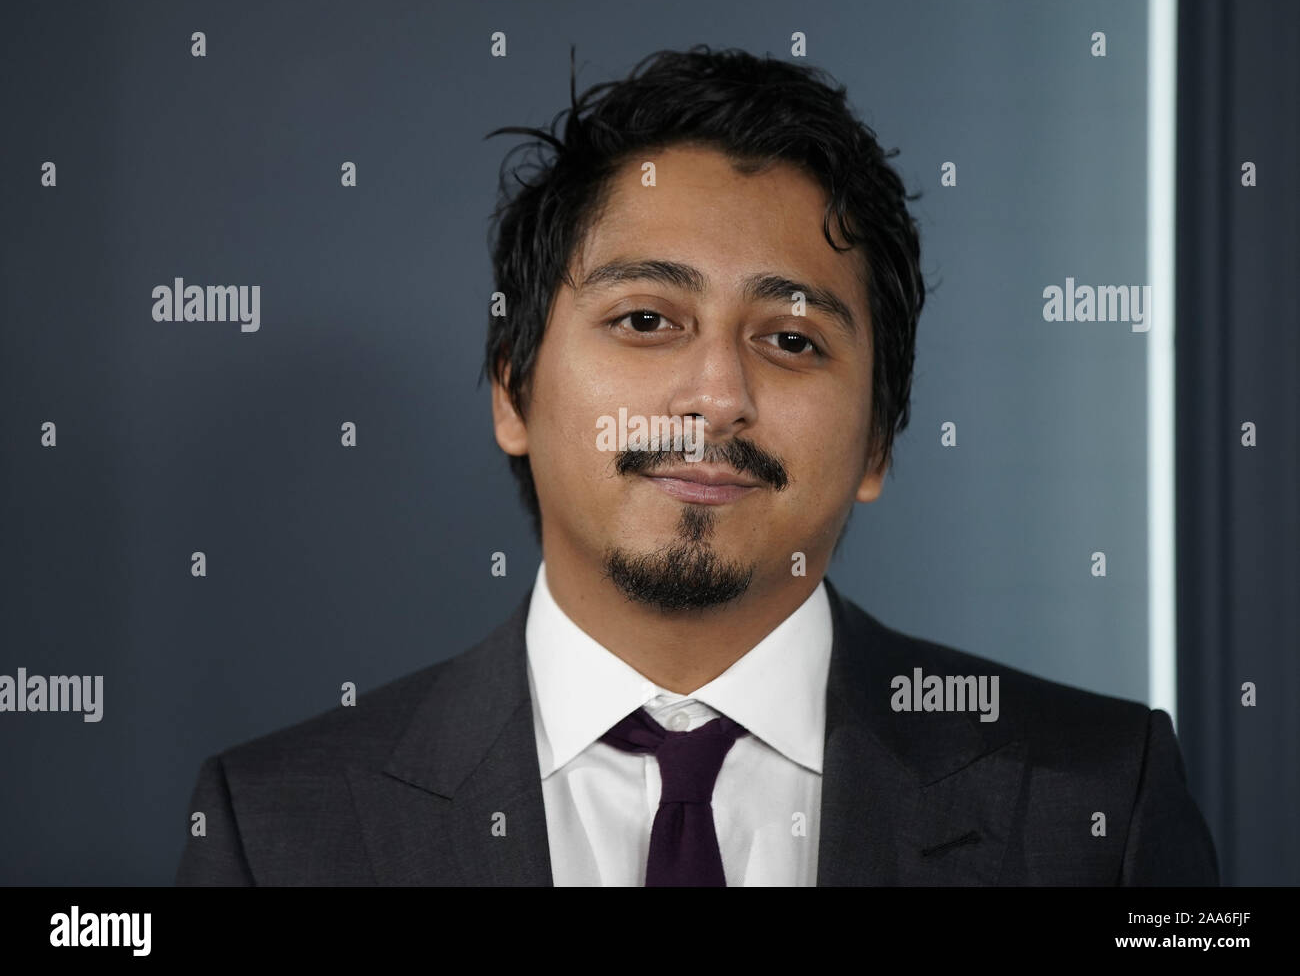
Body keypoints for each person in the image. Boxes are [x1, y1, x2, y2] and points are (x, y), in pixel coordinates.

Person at [176, 45, 1218, 886]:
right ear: (510, 392)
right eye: (644, 318)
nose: (715, 396)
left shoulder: (1092, 802)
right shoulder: (277, 828)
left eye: (792, 339)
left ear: (877, 443)